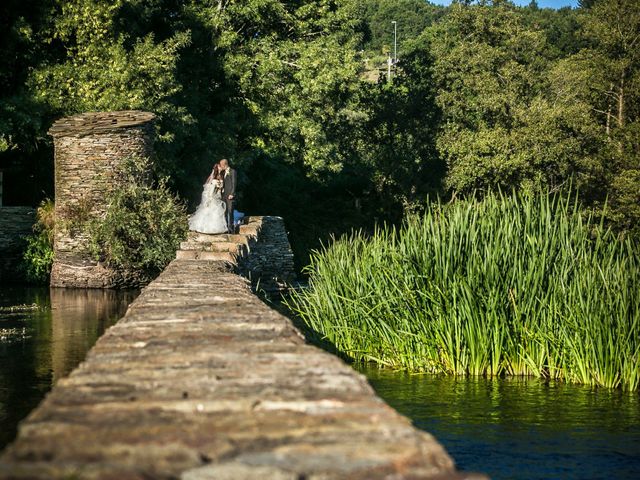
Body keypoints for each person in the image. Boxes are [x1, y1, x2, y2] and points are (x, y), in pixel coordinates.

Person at [188, 162, 228, 234]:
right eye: (220, 166)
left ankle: (215, 228)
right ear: (217, 167)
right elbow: (209, 187)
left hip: (217, 196)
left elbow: (221, 188)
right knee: (208, 211)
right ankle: (203, 227)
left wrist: (221, 189)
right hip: (212, 196)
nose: (221, 168)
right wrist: (209, 197)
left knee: (216, 212)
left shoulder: (222, 176)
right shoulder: (213, 176)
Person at [219, 158, 237, 233]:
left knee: (230, 211)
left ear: (224, 165)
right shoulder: (223, 173)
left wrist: (232, 194)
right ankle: (226, 228)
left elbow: (234, 183)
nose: (220, 166)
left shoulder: (233, 171)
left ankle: (231, 229)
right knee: (224, 212)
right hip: (224, 195)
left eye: (221, 165)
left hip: (230, 195)